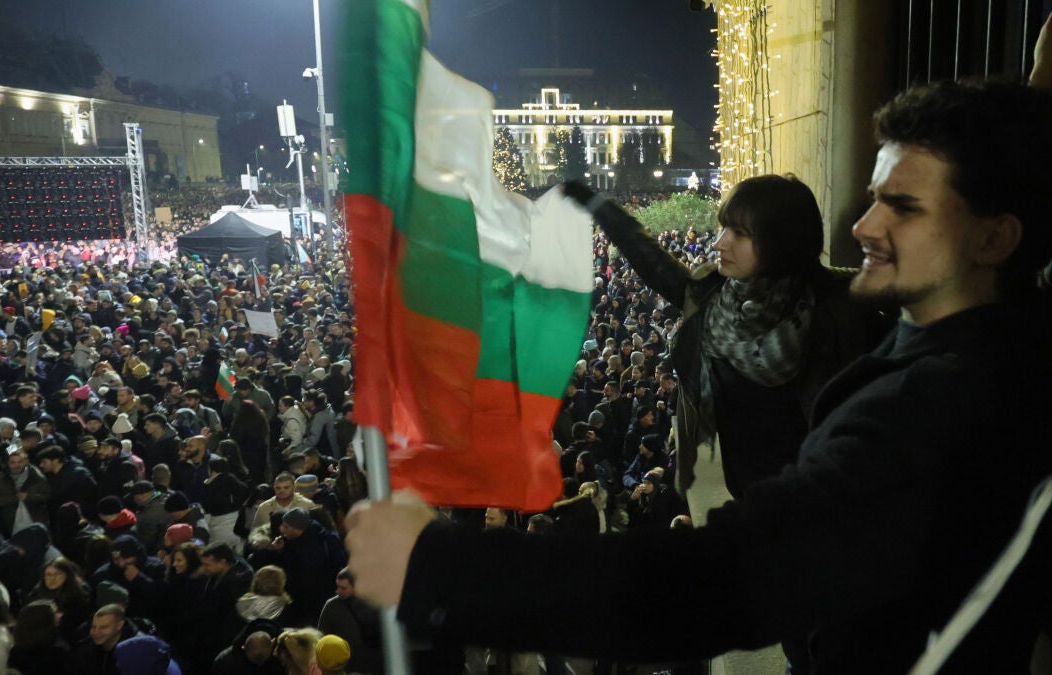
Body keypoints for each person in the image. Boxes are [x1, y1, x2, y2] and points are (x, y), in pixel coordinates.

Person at [344, 80, 1052, 674]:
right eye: (873, 196)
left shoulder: (932, 404)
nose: (864, 224)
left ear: (996, 237)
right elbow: (661, 268)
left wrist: (440, 570)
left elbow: (719, 582)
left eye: (904, 206)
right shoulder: (991, 343)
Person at [567, 172, 887, 501]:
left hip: (820, 503)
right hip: (745, 497)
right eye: (723, 228)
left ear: (781, 242)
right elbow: (654, 262)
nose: (719, 242)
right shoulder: (711, 298)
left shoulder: (840, 309)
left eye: (739, 233)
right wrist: (598, 206)